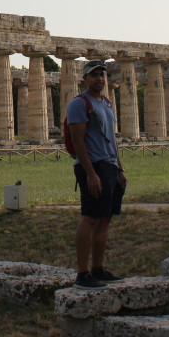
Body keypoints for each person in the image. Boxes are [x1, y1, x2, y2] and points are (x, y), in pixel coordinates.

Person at [66, 59, 127, 289]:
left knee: (104, 219)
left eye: (102, 75)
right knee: (89, 217)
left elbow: (111, 138)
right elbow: (77, 140)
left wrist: (120, 168)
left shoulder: (107, 103)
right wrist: (91, 173)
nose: (99, 79)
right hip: (92, 167)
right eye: (94, 75)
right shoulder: (79, 104)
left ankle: (98, 269)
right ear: (85, 78)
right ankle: (82, 274)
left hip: (110, 166)